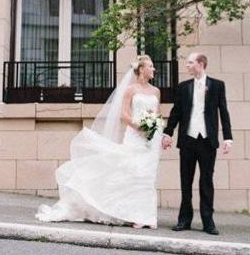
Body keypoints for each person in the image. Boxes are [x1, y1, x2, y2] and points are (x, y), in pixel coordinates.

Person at [36, 55, 162, 228]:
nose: (154, 69)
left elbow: (157, 114)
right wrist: (139, 127)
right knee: (132, 173)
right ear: (141, 69)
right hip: (135, 136)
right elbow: (124, 114)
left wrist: (156, 130)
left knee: (147, 177)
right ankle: (133, 215)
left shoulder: (156, 91)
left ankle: (147, 217)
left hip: (151, 140)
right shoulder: (130, 90)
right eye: (151, 66)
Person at [162, 53, 233, 235]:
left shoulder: (217, 85)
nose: (187, 66)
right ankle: (184, 220)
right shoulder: (183, 87)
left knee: (206, 181)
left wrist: (228, 137)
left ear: (200, 64)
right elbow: (176, 112)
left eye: (190, 63)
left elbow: (223, 111)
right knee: (186, 181)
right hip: (187, 140)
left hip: (208, 141)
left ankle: (208, 222)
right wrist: (168, 133)